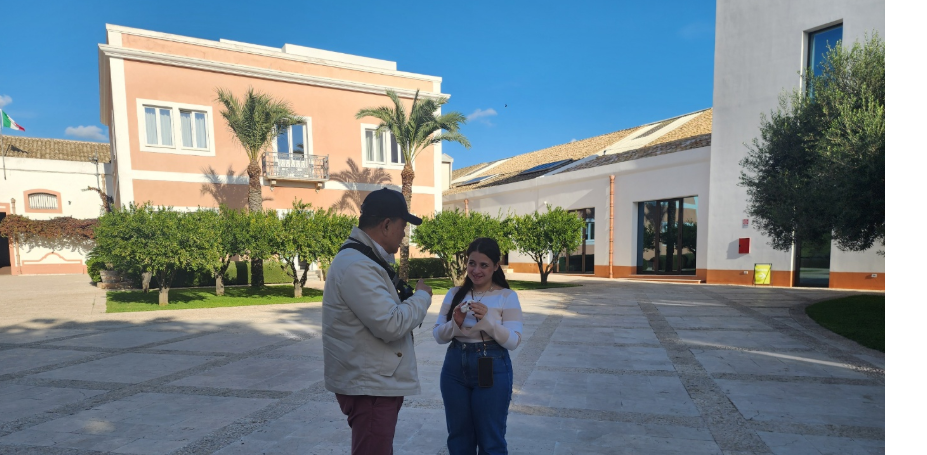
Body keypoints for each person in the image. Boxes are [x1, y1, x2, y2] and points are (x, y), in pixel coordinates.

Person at [322, 188, 434, 455]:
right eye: (403, 226)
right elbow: (391, 324)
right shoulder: (358, 265)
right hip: (370, 389)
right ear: (386, 225)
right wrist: (422, 297)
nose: (404, 234)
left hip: (372, 383)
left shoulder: (362, 259)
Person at [433, 238, 523, 455]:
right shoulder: (454, 294)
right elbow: (438, 335)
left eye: (484, 265)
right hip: (455, 367)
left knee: (491, 439)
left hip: (492, 365)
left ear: (495, 266)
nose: (476, 270)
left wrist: (489, 321)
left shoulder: (507, 296)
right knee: (459, 437)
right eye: (472, 263)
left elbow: (513, 341)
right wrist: (455, 323)